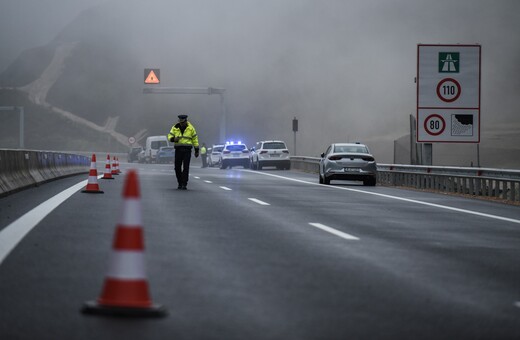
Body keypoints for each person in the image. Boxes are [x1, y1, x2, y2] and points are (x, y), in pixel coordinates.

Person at [167, 114, 199, 190]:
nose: (181, 123)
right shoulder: (175, 127)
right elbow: (169, 136)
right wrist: (173, 139)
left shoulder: (191, 128)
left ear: (186, 121)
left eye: (183, 122)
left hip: (187, 150)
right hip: (178, 150)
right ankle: (180, 182)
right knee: (177, 167)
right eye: (180, 122)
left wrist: (196, 150)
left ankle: (184, 183)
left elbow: (195, 139)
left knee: (186, 167)